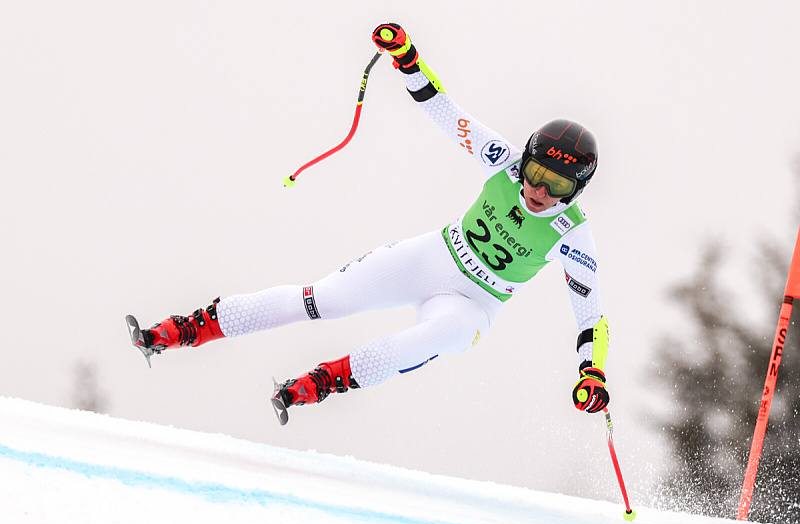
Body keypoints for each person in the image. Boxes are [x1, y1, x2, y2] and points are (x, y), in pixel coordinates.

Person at [127, 23, 611, 425]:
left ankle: (317, 383)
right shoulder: (502, 160)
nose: (538, 191)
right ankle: (179, 330)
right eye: (535, 174)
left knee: (428, 339)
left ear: (577, 191)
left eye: (557, 186)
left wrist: (593, 373)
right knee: (321, 301)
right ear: (524, 160)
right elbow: (443, 110)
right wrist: (407, 58)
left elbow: (592, 317)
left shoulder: (572, 234)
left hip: (475, 304)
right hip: (431, 258)